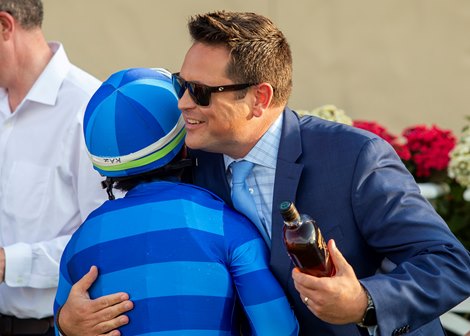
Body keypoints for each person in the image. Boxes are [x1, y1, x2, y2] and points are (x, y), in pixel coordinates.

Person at [57, 10, 470, 336]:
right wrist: (67, 323)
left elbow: (450, 263)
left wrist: (364, 300)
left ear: (259, 98)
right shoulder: (187, 165)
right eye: (182, 83)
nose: (181, 103)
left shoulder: (356, 156)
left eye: (199, 91)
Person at [54, 67, 299, 336]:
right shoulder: (226, 225)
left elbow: (64, 325)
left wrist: (65, 326)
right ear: (185, 142)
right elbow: (278, 328)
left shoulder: (80, 241)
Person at [0, 0, 107, 335]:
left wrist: (8, 262)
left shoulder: (88, 108)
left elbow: (100, 239)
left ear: (4, 26)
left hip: (51, 327)